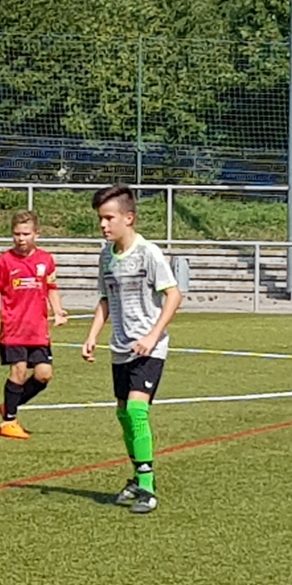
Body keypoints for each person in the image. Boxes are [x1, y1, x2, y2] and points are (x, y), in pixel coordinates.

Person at [80, 184, 183, 515]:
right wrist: (92, 335)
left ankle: (147, 488)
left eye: (109, 218)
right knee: (123, 414)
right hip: (120, 347)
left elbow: (174, 295)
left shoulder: (148, 253)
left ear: (129, 218)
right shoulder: (106, 256)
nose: (103, 224)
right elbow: (105, 299)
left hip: (148, 348)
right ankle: (138, 478)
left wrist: (153, 335)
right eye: (100, 218)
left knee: (137, 411)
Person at [0, 210, 68, 440]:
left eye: (26, 234)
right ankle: (9, 422)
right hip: (13, 329)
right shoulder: (4, 261)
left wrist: (58, 311)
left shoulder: (46, 260)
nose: (21, 238)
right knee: (19, 370)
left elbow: (51, 288)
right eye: (17, 234)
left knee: (44, 375)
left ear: (36, 234)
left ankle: (8, 406)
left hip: (38, 330)